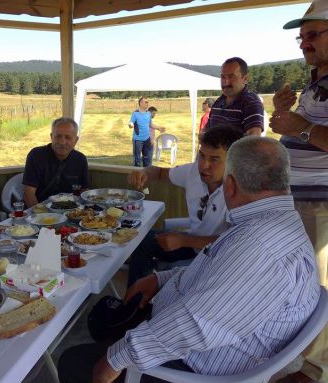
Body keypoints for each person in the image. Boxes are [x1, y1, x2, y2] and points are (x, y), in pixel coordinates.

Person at [58, 137, 320, 383]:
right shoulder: (273, 223)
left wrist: (116, 359)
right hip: (197, 334)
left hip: (195, 367)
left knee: (73, 361)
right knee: (103, 319)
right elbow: (215, 274)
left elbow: (197, 325)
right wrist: (160, 279)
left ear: (230, 184)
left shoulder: (261, 247)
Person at [271, 1, 328, 381]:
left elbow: (307, 131)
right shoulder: (316, 81)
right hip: (299, 200)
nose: (304, 44)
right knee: (301, 283)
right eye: (301, 37)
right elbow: (292, 129)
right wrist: (282, 114)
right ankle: (299, 356)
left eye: (313, 35)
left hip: (321, 204)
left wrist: (301, 127)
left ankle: (315, 367)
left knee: (321, 285)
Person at [126, 126, 243, 287]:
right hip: (192, 245)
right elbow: (159, 173)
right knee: (141, 238)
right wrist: (144, 172)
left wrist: (184, 240)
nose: (204, 165)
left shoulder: (243, 192)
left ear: (233, 162)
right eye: (201, 156)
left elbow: (236, 242)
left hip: (219, 261)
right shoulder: (193, 172)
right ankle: (134, 304)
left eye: (214, 159)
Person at [23, 117, 89, 206]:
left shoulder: (80, 159)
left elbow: (84, 192)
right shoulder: (36, 155)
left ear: (75, 140)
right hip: (40, 209)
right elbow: (29, 195)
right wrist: (42, 215)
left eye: (68, 137)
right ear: (51, 137)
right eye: (58, 136)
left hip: (71, 210)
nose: (62, 142)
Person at [205, 57, 264, 136]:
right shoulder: (218, 102)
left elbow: (253, 139)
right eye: (223, 77)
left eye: (231, 76)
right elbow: (207, 129)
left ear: (245, 79)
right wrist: (203, 135)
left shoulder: (250, 102)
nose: (226, 82)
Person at [128, 97, 164, 167]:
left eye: (148, 102)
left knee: (147, 158)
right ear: (141, 103)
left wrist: (158, 128)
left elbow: (150, 124)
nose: (148, 103)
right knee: (137, 159)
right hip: (137, 140)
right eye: (146, 102)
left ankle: (146, 174)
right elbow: (131, 122)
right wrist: (130, 125)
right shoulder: (135, 113)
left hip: (147, 139)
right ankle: (137, 175)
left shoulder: (148, 113)